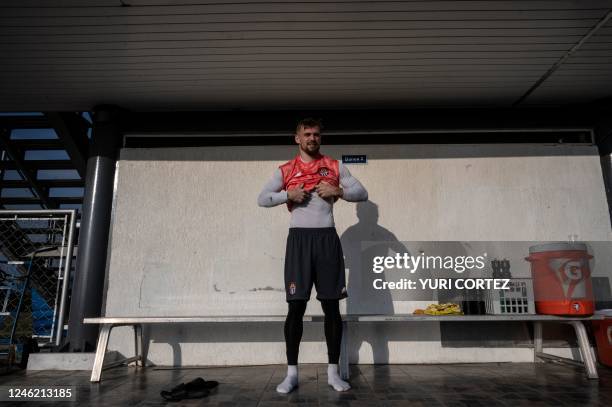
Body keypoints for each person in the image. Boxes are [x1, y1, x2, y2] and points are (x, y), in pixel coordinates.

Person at [257, 118, 368, 393]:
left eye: (316, 134)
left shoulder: (334, 165)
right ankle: (291, 373)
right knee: (296, 306)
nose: (312, 138)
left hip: (327, 240)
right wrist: (287, 194)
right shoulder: (286, 169)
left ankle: (333, 372)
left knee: (331, 306)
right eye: (306, 134)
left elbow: (362, 192)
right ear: (297, 138)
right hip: (299, 242)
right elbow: (262, 197)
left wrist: (338, 190)